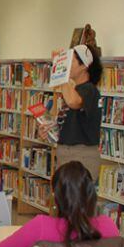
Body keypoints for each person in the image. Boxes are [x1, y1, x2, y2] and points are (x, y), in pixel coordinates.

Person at [39, 44, 103, 179]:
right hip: (66, 154)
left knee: (76, 199)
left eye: (71, 60)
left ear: (84, 66)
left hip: (81, 157)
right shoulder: (75, 89)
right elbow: (73, 124)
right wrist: (50, 131)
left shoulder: (89, 90)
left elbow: (74, 103)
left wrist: (60, 71)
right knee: (63, 199)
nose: (67, 64)